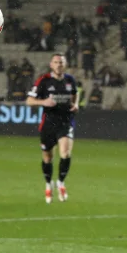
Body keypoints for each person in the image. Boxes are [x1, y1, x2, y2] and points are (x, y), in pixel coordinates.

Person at [25, 54, 79, 204]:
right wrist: (43, 102)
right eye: (56, 62)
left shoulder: (70, 80)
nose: (59, 65)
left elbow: (75, 94)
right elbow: (29, 101)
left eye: (61, 62)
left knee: (65, 153)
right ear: (51, 65)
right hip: (48, 124)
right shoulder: (44, 81)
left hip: (65, 122)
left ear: (65, 64)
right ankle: (48, 184)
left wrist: (76, 105)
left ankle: (61, 183)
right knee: (48, 158)